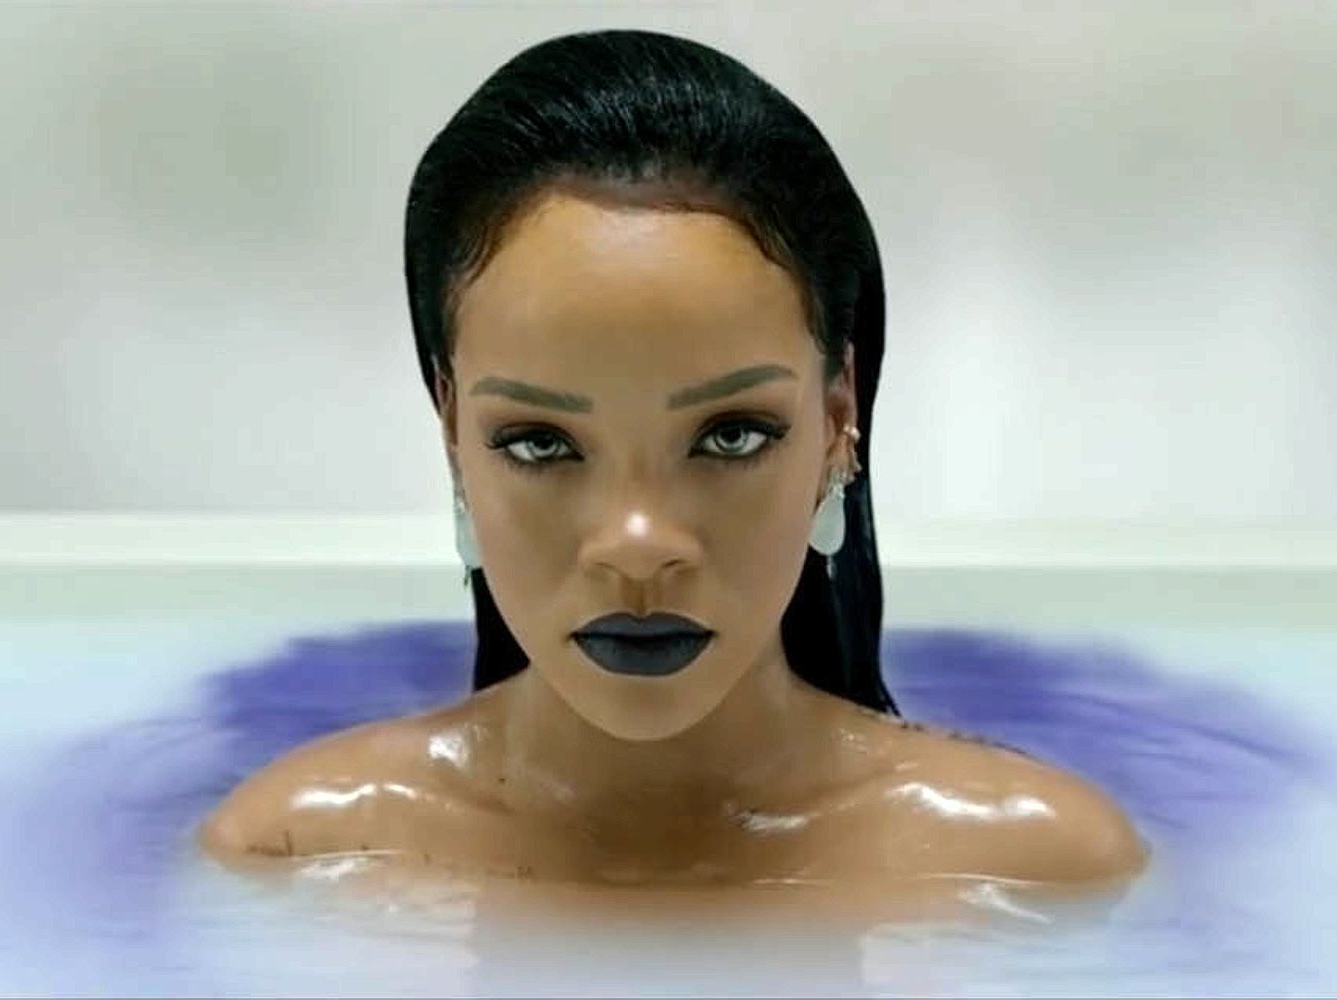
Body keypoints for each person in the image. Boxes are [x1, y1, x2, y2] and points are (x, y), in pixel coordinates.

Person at [199, 28, 1146, 889]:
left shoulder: (1040, 864)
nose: (638, 543)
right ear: (453, 432)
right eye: (540, 442)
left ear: (837, 418)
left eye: (732, 435)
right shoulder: (295, 854)